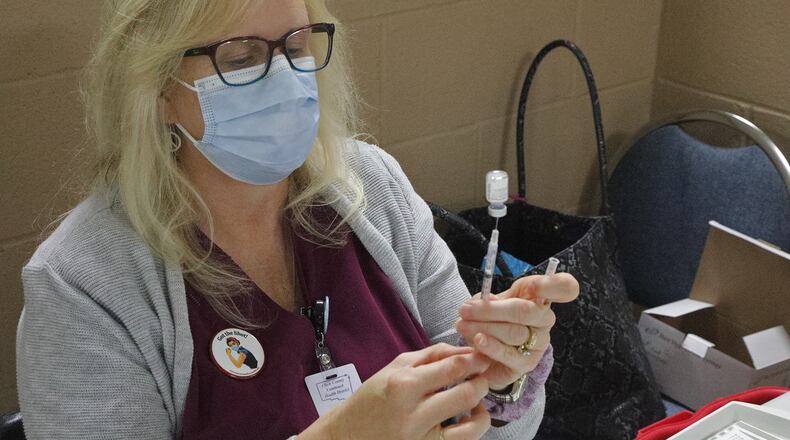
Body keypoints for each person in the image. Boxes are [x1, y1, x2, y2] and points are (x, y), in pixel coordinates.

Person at [15, 1, 580, 439]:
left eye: (296, 44)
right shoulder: (83, 285)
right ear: (157, 86)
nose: (283, 79)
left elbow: (487, 422)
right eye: (240, 57)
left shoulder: (370, 186)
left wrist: (500, 373)